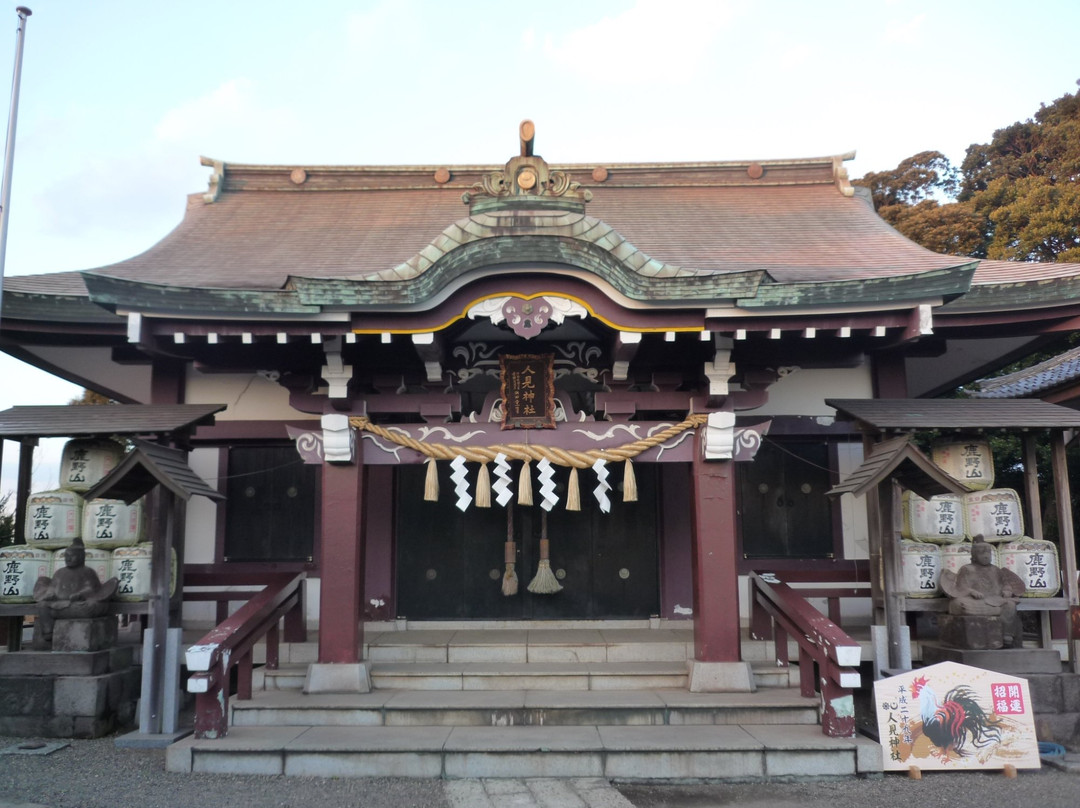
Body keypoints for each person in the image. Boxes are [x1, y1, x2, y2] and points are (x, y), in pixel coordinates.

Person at [940, 538, 1025, 648]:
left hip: (995, 599)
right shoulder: (967, 569)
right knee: (959, 603)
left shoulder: (996, 570)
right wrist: (971, 591)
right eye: (981, 553)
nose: (986, 556)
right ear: (974, 555)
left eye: (988, 553)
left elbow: (1005, 583)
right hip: (975, 600)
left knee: (1010, 605)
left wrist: (1007, 590)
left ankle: (1006, 635)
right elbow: (960, 587)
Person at [32, 539, 118, 647]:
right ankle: (48, 631)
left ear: (81, 557)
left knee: (91, 606)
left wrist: (80, 594)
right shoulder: (60, 573)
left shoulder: (88, 572)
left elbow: (91, 588)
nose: (68, 558)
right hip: (60, 605)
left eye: (72, 556)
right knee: (42, 605)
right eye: (66, 556)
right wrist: (50, 593)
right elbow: (53, 586)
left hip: (77, 605)